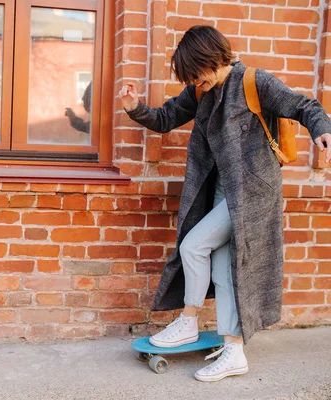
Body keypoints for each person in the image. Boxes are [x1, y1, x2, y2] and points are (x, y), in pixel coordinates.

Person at [120, 25, 331, 382]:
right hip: (220, 192)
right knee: (223, 269)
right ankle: (234, 351)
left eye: (199, 77)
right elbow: (166, 117)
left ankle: (188, 321)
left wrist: (322, 129)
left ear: (215, 59)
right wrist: (135, 108)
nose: (196, 85)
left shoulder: (254, 82)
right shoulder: (201, 91)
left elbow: (303, 105)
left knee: (193, 246)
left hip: (252, 193)